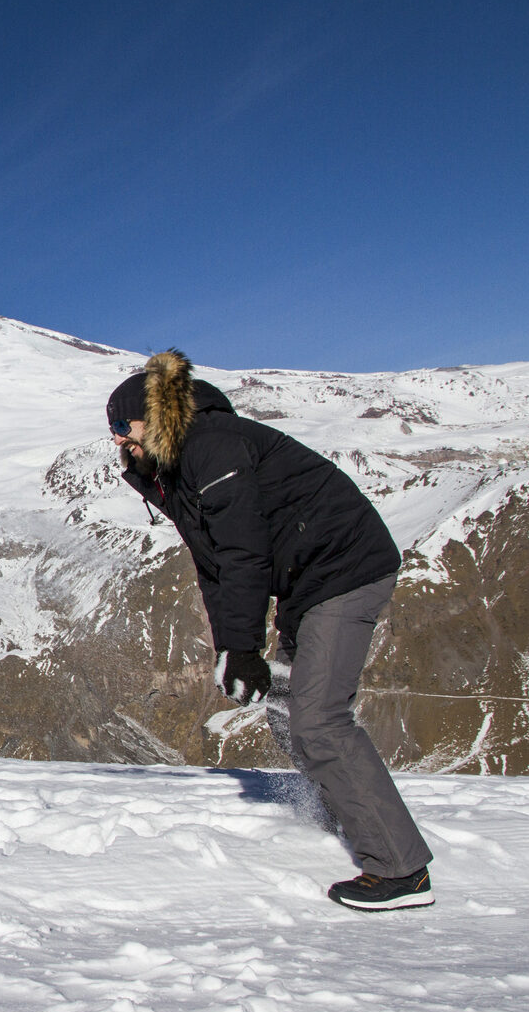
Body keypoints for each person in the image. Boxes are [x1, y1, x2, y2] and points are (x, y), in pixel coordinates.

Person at [106, 351, 434, 911]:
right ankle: (350, 819)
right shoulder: (180, 467)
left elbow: (243, 553)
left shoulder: (212, 446)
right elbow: (213, 565)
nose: (117, 441)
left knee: (320, 718)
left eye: (121, 428)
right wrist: (232, 652)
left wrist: (244, 646)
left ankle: (401, 871)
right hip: (310, 582)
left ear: (152, 418)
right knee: (288, 711)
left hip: (345, 571)